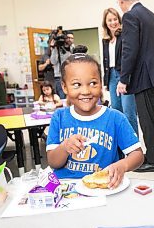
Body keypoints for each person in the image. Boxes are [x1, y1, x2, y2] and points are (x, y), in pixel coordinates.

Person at [46, 54, 144, 187]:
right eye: (76, 84)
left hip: (103, 188)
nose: (86, 91)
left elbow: (137, 155)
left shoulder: (115, 118)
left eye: (93, 83)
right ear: (64, 87)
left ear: (101, 83)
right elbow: (53, 162)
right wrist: (64, 147)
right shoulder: (59, 117)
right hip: (66, 188)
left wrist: (123, 165)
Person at [116, 0, 154, 172]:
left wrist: (123, 79)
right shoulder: (150, 15)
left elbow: (129, 50)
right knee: (153, 116)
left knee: (147, 119)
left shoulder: (130, 16)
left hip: (144, 76)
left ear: (121, 0)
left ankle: (152, 161)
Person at [101, 7, 139, 135]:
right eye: (109, 20)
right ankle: (122, 144)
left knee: (129, 112)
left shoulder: (124, 35)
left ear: (119, 20)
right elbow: (106, 61)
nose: (113, 22)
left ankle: (134, 146)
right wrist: (105, 82)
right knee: (116, 111)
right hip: (111, 76)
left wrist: (125, 78)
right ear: (105, 23)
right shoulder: (105, 40)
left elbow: (128, 57)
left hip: (124, 75)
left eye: (115, 19)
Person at [50, 31, 75, 99]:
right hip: (60, 77)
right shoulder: (57, 48)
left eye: (72, 38)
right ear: (64, 38)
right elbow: (53, 61)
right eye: (68, 38)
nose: (70, 39)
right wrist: (55, 48)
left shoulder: (72, 48)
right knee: (63, 98)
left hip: (71, 76)